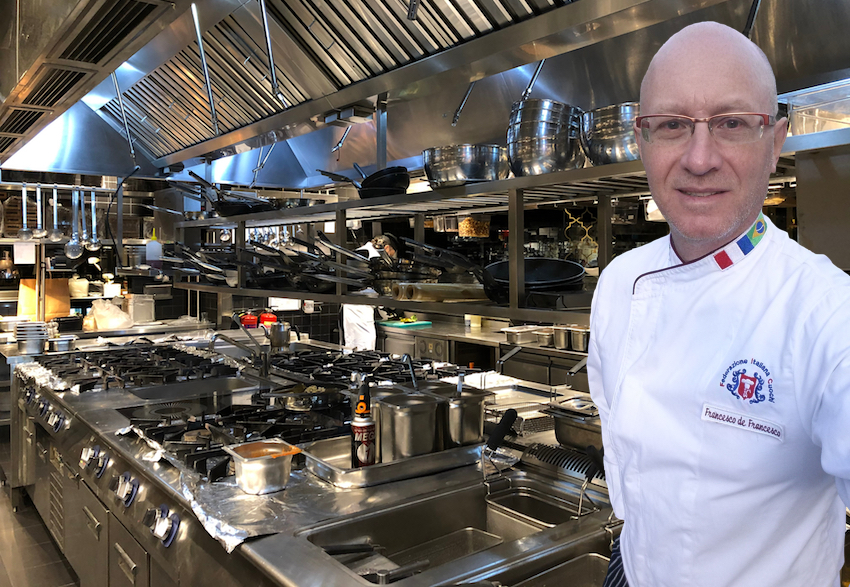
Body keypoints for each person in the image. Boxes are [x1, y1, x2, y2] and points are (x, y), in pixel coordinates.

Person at [588, 21, 850, 587]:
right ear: (642, 141)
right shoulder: (618, 283)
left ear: (775, 142)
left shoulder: (826, 311)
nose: (699, 158)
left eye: (732, 124)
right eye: (673, 126)